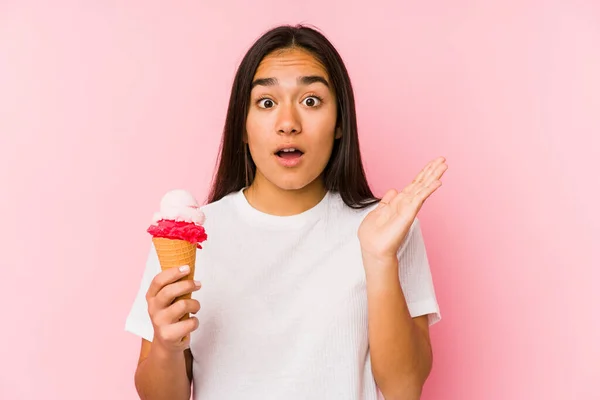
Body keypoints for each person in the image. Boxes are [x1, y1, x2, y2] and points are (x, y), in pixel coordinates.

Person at [125, 24, 448, 400]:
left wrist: (379, 259)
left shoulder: (387, 228)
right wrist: (166, 345)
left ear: (340, 121)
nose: (289, 123)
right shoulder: (189, 234)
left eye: (311, 100)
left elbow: (404, 389)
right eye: (266, 102)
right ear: (242, 126)